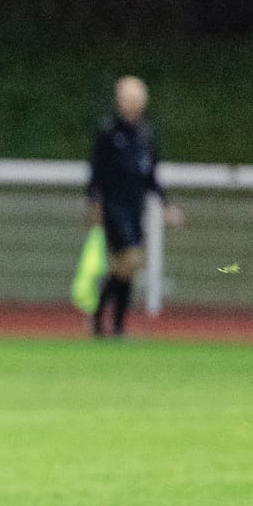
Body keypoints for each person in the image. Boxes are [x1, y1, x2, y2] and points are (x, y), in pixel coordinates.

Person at [86, 75, 182, 339]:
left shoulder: (145, 134)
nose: (133, 104)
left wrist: (165, 206)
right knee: (131, 259)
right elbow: (96, 172)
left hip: (135, 206)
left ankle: (108, 323)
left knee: (122, 268)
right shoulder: (108, 132)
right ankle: (110, 323)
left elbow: (151, 177)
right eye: (128, 98)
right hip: (114, 207)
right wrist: (94, 204)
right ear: (119, 101)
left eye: (137, 99)